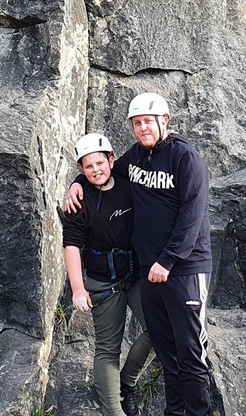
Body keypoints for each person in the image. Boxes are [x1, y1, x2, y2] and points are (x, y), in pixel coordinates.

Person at [66, 93, 211, 416]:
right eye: (136, 123)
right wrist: (77, 182)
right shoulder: (135, 157)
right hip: (149, 271)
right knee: (167, 352)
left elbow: (193, 215)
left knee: (190, 353)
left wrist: (168, 260)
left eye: (148, 121)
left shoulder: (184, 158)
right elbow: (100, 169)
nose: (142, 128)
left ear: (165, 120)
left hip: (183, 269)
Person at [62, 132, 154, 416]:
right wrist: (78, 290)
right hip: (103, 283)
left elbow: (147, 147)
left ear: (111, 160)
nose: (95, 171)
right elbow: (72, 246)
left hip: (135, 275)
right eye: (87, 168)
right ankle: (114, 411)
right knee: (107, 349)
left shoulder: (128, 179)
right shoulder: (79, 202)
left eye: (99, 163)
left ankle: (127, 383)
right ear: (81, 169)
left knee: (159, 329)